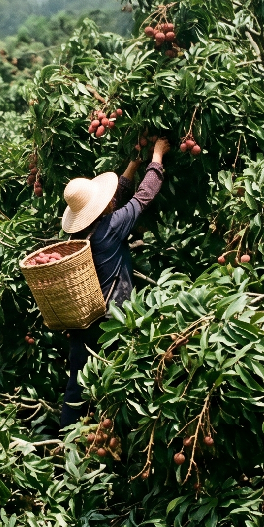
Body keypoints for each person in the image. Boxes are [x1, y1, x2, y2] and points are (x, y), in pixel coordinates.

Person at [58, 137, 171, 427]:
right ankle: (121, 437)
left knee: (77, 386)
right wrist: (157, 156)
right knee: (122, 382)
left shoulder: (77, 236)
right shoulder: (110, 227)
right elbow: (144, 196)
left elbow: (115, 198)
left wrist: (132, 164)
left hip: (84, 322)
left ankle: (65, 442)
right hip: (115, 322)